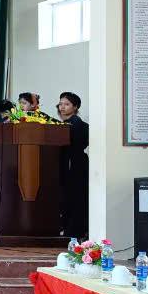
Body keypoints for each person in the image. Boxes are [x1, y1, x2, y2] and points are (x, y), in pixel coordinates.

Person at [57, 92, 89, 238]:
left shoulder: (78, 124)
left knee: (75, 198)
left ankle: (74, 231)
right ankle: (69, 230)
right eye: (61, 104)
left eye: (67, 104)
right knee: (67, 198)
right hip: (69, 164)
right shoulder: (62, 124)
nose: (62, 107)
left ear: (75, 107)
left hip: (75, 165)